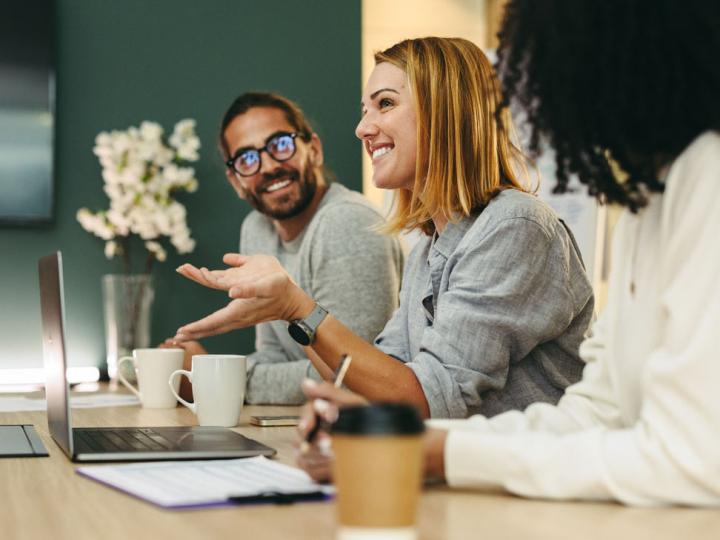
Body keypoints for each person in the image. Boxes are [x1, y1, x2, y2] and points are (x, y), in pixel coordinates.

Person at [299, 1, 720, 506]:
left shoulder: (705, 177)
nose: (535, 94)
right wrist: (405, 438)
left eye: (548, 66)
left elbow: (692, 462)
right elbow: (594, 414)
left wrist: (440, 454)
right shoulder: (644, 201)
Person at [173, 37, 594, 419]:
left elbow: (427, 398)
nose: (362, 129)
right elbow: (373, 381)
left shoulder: (514, 226)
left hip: (525, 491)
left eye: (386, 104)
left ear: (443, 110)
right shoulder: (429, 250)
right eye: (364, 111)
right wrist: (289, 314)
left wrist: (295, 307)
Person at [165, 92, 403, 405]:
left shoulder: (347, 222)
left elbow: (351, 380)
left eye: (280, 144)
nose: (267, 166)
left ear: (314, 150)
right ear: (236, 181)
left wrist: (214, 378)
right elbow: (273, 356)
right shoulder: (257, 228)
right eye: (247, 159)